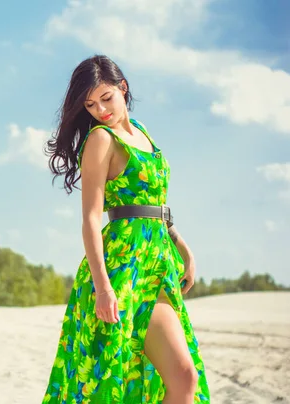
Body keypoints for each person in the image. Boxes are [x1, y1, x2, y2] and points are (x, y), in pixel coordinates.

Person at [41, 55, 211, 403]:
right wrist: (103, 287)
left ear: (123, 88)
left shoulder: (143, 133)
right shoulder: (101, 140)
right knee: (182, 377)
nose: (100, 110)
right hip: (123, 269)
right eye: (90, 104)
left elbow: (154, 207)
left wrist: (184, 250)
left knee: (176, 378)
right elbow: (91, 217)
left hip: (158, 263)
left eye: (106, 98)